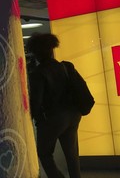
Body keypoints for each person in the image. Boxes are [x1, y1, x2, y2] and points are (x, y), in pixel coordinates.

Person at [27, 33, 82, 178]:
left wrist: (36, 118)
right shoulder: (65, 67)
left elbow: (37, 101)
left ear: (36, 53)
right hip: (73, 115)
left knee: (44, 153)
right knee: (72, 155)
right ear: (52, 50)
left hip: (53, 119)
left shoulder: (38, 73)